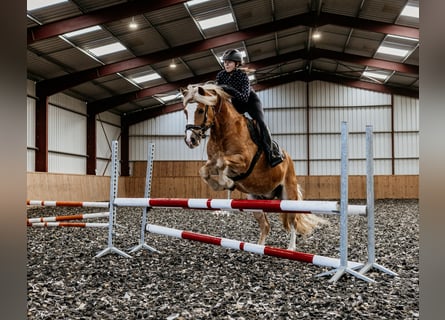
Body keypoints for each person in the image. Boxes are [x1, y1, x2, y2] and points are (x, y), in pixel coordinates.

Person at [215, 49, 284, 167]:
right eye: (225, 62)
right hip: (235, 103)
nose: (226, 64)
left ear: (236, 64)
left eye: (229, 62)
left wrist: (229, 89)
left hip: (251, 102)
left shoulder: (242, 76)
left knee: (261, 123)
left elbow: (244, 97)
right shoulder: (221, 75)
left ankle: (272, 153)